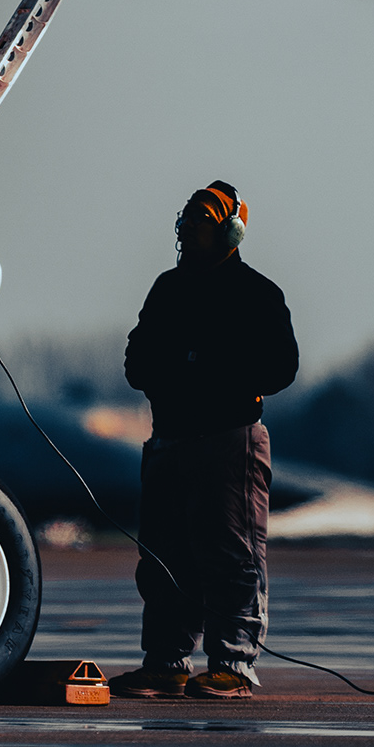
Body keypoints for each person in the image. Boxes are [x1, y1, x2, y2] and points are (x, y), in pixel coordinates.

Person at [120, 179, 300, 697]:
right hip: (170, 440)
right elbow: (136, 362)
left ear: (231, 231)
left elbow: (281, 367)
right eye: (187, 217)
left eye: (202, 218)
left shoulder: (257, 293)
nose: (188, 227)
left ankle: (234, 664)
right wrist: (184, 369)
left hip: (229, 442)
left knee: (231, 556)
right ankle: (166, 662)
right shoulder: (167, 289)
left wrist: (205, 370)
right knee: (162, 560)